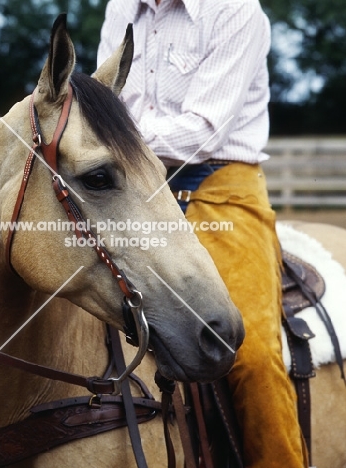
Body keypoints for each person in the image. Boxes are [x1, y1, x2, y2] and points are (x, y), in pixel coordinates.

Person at [98, 0, 309, 467]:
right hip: (132, 187)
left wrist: (96, 137)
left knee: (250, 354)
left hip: (222, 185)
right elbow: (105, 98)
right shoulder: (121, 8)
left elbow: (202, 132)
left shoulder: (236, 11)